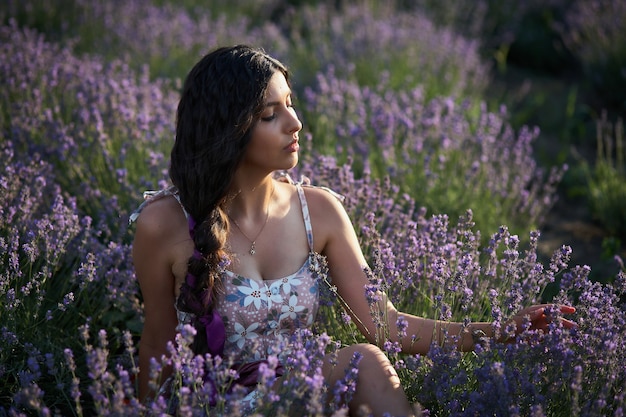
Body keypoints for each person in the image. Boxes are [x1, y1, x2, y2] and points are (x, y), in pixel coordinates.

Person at [131, 45, 577, 416]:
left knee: (366, 361)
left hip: (304, 394)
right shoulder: (164, 224)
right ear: (229, 129)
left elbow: (387, 326)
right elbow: (157, 344)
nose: (295, 123)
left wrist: (501, 328)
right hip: (216, 404)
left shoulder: (318, 211)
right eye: (271, 114)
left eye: (291, 104)